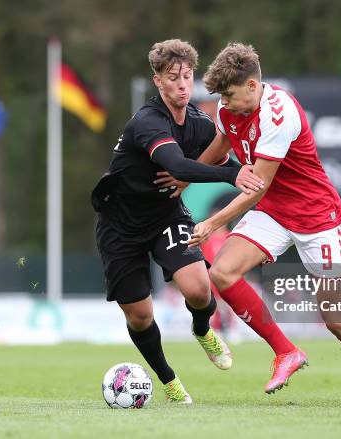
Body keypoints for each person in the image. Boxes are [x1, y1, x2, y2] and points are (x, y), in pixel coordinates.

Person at [187, 43, 341, 405]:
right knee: (222, 274)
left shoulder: (278, 114)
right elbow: (218, 153)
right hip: (273, 213)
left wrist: (211, 223)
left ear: (253, 85)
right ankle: (286, 352)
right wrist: (180, 178)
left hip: (318, 219)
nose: (226, 103)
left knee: (335, 320)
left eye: (232, 95)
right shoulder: (228, 108)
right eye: (223, 96)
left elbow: (256, 188)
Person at [90, 39, 265, 404]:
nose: (183, 84)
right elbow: (179, 166)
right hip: (119, 226)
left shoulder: (199, 123)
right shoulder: (148, 121)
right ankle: (168, 380)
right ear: (158, 81)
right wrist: (233, 176)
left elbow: (221, 150)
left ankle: (203, 330)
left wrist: (241, 161)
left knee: (200, 290)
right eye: (173, 77)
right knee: (139, 316)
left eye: (187, 76)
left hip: (166, 216)